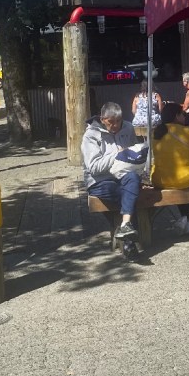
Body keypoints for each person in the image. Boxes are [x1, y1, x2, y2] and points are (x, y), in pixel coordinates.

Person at [82, 101, 142, 259]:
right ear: (102, 119)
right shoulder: (91, 135)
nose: (115, 125)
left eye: (118, 121)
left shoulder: (128, 127)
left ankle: (124, 226)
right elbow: (93, 167)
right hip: (99, 180)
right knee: (127, 194)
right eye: (111, 122)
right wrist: (116, 155)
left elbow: (133, 152)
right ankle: (129, 242)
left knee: (133, 179)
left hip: (123, 174)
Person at [151, 102, 189, 234]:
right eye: (183, 114)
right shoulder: (187, 131)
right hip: (188, 177)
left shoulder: (156, 132)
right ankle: (187, 217)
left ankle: (187, 220)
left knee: (181, 184)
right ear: (176, 116)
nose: (185, 117)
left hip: (161, 179)